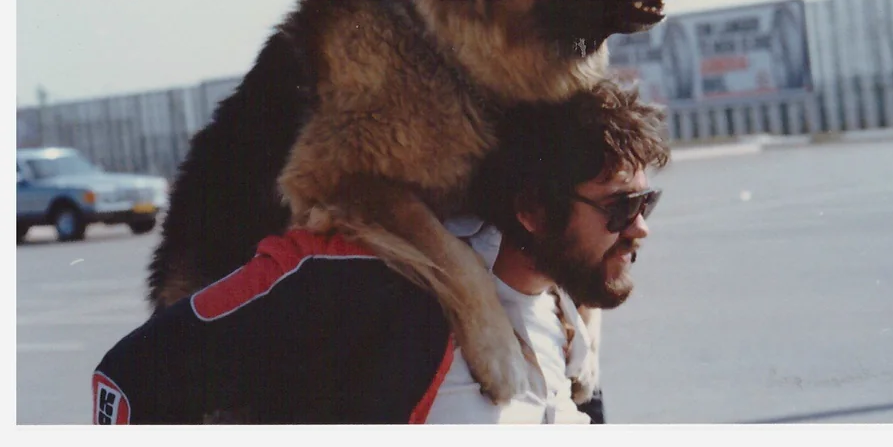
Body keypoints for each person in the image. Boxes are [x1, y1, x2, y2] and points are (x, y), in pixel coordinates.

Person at [91, 80, 671, 425]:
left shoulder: (562, 318)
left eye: (647, 203)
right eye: (619, 209)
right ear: (532, 211)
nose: (639, 229)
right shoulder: (370, 279)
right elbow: (131, 376)